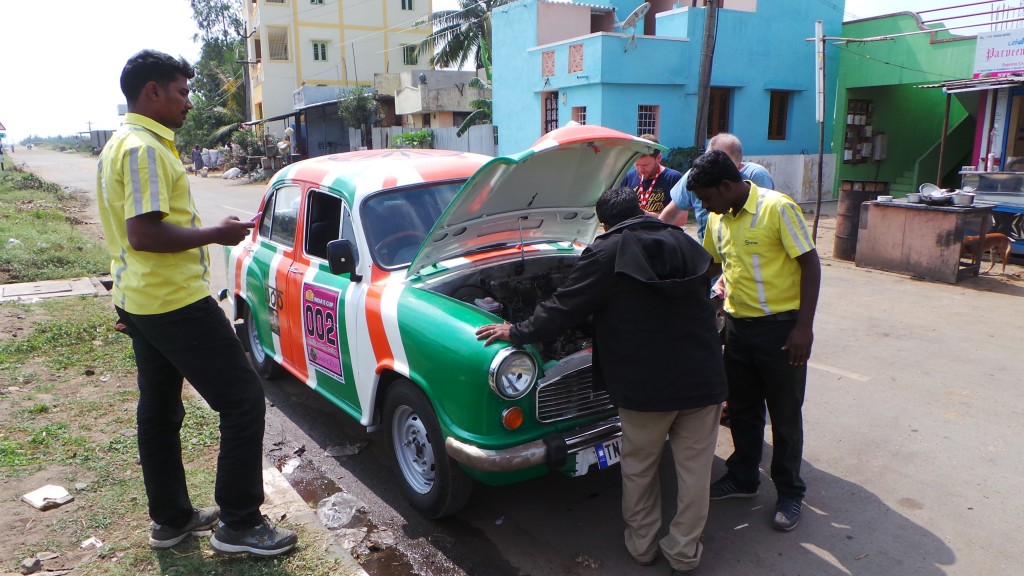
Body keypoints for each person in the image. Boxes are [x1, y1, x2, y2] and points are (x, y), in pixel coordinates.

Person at [96, 49, 297, 556]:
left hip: (140, 302)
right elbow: (143, 233)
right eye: (182, 91)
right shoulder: (143, 149)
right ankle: (241, 524)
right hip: (172, 302)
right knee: (244, 399)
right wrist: (219, 233)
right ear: (153, 92)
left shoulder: (121, 143)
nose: (190, 102)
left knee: (160, 409)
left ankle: (172, 520)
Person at [476, 187, 727, 575]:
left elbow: (563, 308)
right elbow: (706, 285)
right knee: (694, 473)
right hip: (704, 374)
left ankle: (643, 547)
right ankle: (683, 552)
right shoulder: (681, 240)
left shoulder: (606, 252)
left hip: (647, 384)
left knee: (640, 466)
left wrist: (516, 330)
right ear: (641, 208)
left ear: (605, 224)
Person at [686, 149, 820, 532]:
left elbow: (810, 264)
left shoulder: (777, 208)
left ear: (726, 186)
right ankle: (744, 476)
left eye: (707, 197)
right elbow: (712, 265)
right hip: (738, 328)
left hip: (782, 331)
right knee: (742, 410)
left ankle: (790, 492)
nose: (705, 206)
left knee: (785, 415)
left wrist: (803, 328)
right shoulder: (719, 219)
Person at [661, 133, 775, 242]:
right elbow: (669, 215)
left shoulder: (757, 176)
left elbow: (764, 220)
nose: (704, 205)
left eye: (716, 163)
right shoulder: (696, 176)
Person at [620, 134, 682, 216]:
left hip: (661, 228)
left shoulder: (674, 178)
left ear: (658, 158)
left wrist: (643, 215)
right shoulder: (628, 177)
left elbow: (681, 219)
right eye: (637, 165)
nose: (640, 170)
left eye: (645, 165)